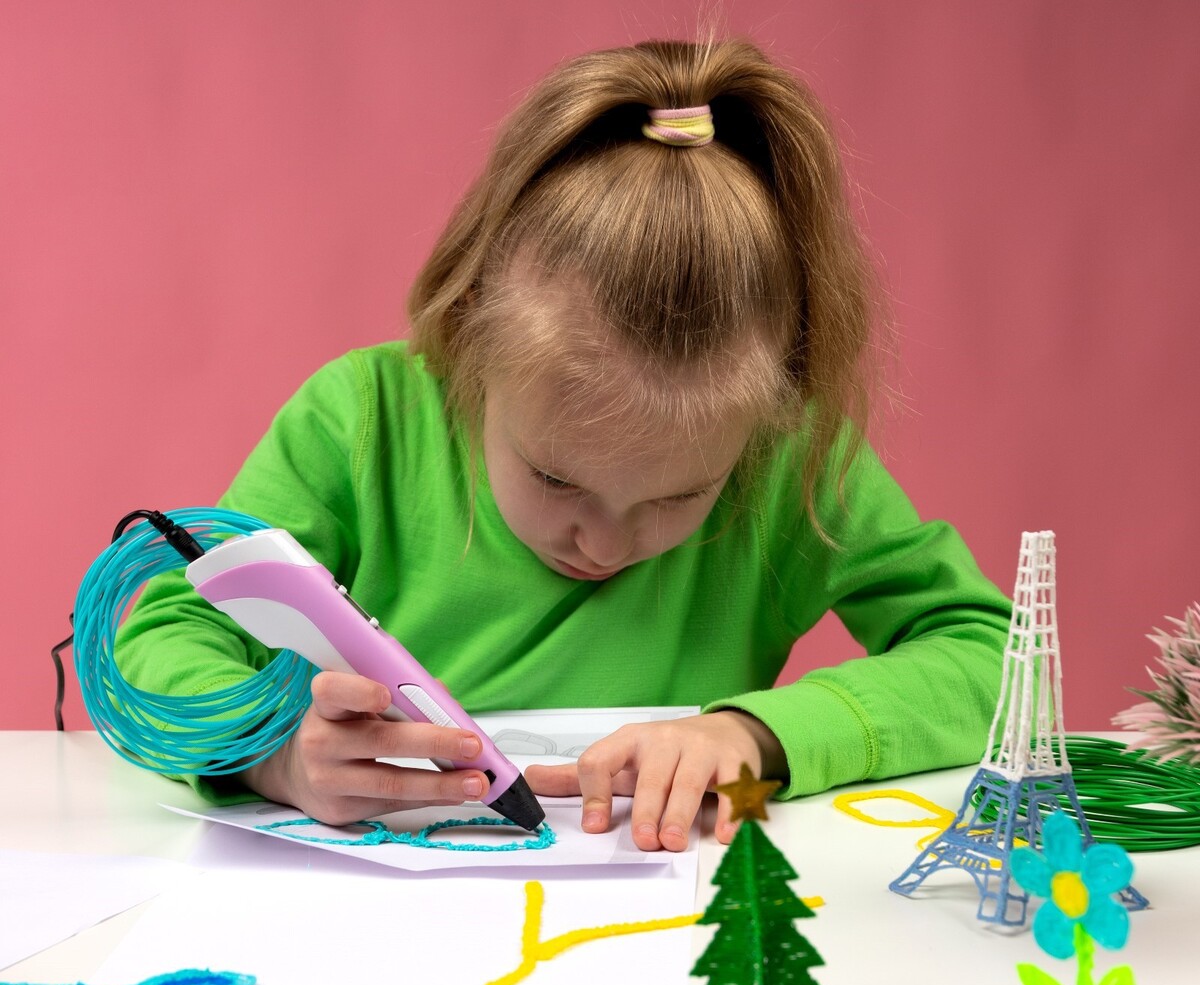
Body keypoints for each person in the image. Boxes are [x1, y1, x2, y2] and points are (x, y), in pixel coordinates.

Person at [117, 37, 1011, 852]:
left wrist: (755, 736)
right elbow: (169, 632)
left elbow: (989, 659)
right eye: (555, 478)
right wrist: (271, 753)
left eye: (680, 496)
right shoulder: (362, 422)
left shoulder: (789, 456)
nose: (606, 543)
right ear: (471, 331)